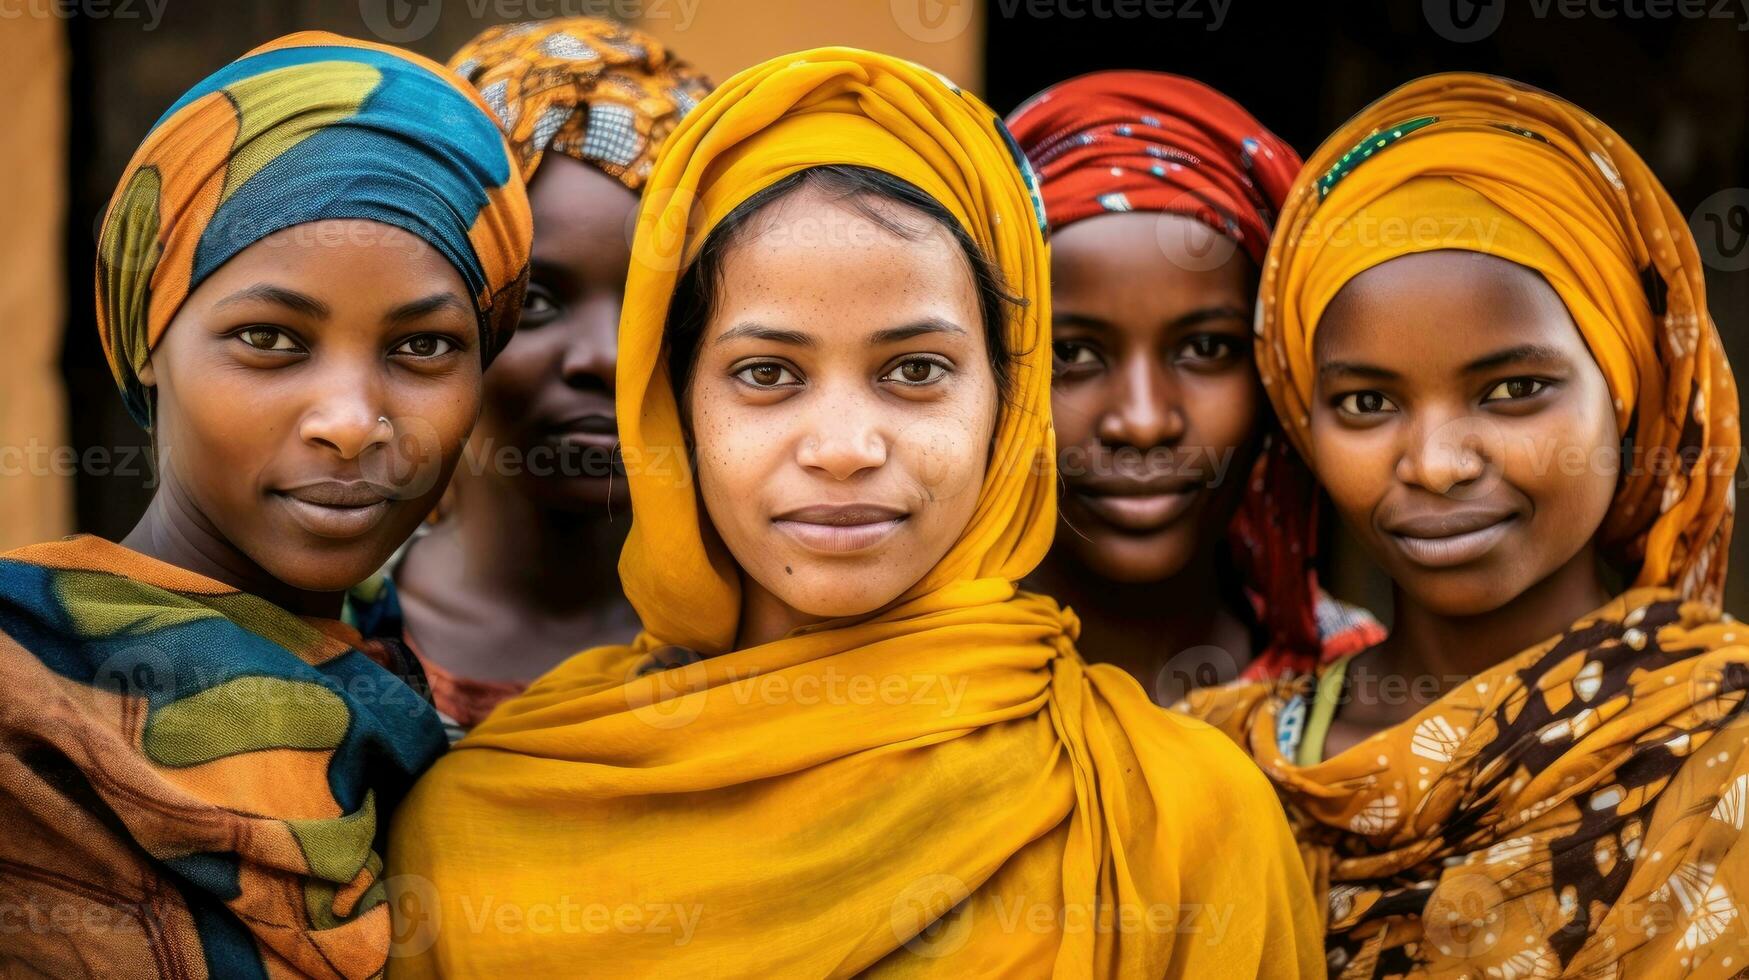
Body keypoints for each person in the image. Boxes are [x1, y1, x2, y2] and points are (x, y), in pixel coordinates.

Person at [390, 48, 1321, 977]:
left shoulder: (1185, 819)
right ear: (672, 406)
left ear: (1008, 398)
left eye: (914, 371)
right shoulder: (488, 825)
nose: (843, 446)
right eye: (767, 373)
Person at [1180, 74, 1745, 977]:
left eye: (1514, 390)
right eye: (1366, 402)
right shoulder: (1211, 764)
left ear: (1629, 389)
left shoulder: (1722, 739)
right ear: (1302, 423)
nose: (1435, 462)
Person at [0, 32, 530, 978]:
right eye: (269, 338)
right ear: (147, 343)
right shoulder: (21, 708)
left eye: (423, 349)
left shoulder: (406, 704)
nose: (350, 422)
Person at [347, 18, 711, 737]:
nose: (605, 356)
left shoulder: (779, 642)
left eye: (656, 303)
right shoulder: (321, 635)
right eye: (535, 302)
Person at [1007, 71, 1381, 704]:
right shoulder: (896, 705)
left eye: (1206, 348)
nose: (1144, 421)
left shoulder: (1369, 712)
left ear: (1277, 371)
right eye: (1070, 353)